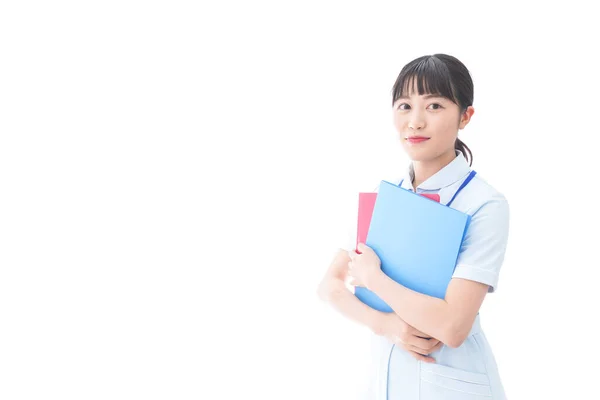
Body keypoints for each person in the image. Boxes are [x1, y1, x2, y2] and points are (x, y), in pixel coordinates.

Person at [317, 54, 510, 399]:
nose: (415, 122)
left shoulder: (484, 204)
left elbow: (452, 327)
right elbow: (330, 287)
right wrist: (386, 325)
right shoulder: (384, 194)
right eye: (405, 106)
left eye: (434, 106)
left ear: (465, 116)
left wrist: (374, 277)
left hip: (453, 381)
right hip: (387, 380)